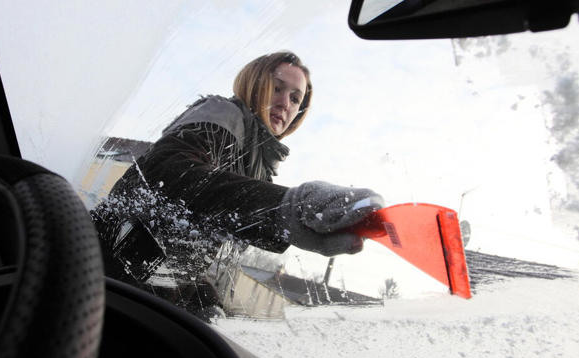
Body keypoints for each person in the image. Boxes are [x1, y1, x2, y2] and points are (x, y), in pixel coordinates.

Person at [91, 51, 383, 318]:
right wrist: (285, 208)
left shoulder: (257, 166)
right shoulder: (222, 114)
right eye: (277, 87)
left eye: (296, 98)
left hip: (140, 288)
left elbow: (194, 241)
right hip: (103, 272)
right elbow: (168, 176)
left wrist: (202, 299)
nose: (284, 103)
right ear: (255, 84)